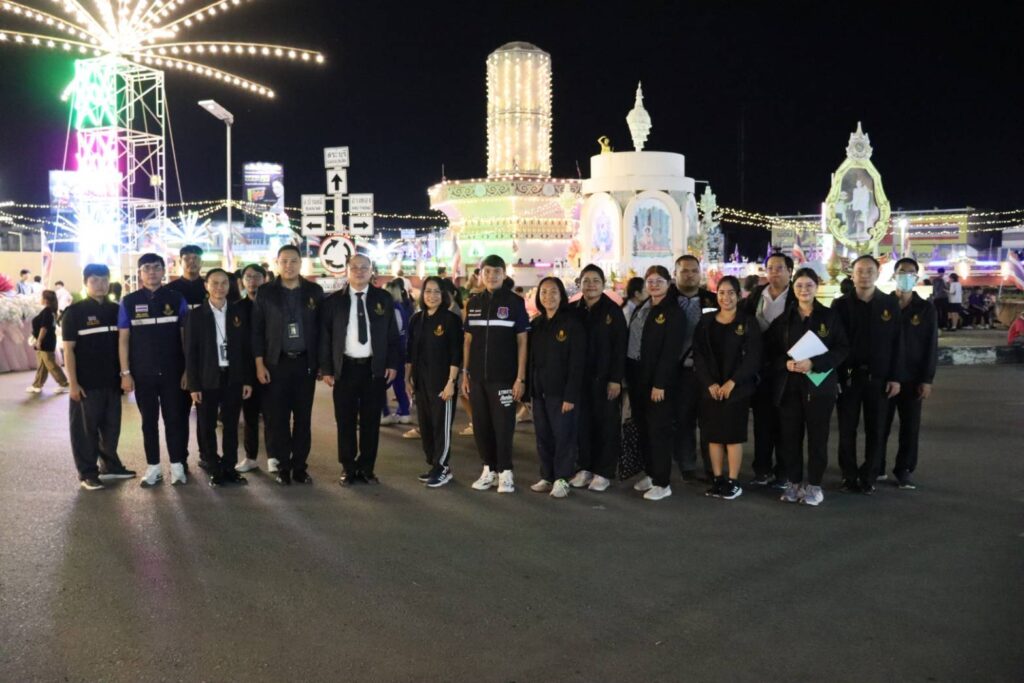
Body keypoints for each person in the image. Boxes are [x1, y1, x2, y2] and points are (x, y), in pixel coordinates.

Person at [767, 268, 849, 506]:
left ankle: (814, 485)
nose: (804, 290)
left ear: (817, 287)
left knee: (817, 438)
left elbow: (842, 348)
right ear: (793, 289)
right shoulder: (784, 320)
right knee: (790, 437)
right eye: (799, 286)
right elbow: (770, 353)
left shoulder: (829, 317)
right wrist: (785, 364)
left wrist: (814, 363)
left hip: (820, 387)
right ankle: (793, 482)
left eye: (809, 285)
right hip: (790, 387)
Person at [320, 254, 400, 485]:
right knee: (345, 421)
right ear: (347, 270)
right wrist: (326, 368)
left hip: (373, 370)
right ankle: (348, 467)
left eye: (364, 267)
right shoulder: (333, 301)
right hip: (345, 369)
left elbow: (392, 335)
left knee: (371, 421)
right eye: (354, 267)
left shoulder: (383, 298)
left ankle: (367, 467)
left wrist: (392, 363)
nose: (359, 271)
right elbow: (325, 338)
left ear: (371, 271)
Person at [831, 255, 903, 494]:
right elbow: (833, 343)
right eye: (860, 271)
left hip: (879, 378)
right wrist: (834, 377)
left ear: (878, 274)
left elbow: (897, 342)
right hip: (849, 377)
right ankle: (848, 475)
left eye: (870, 271)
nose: (864, 275)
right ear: (852, 275)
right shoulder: (840, 305)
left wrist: (895, 377)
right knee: (846, 429)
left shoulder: (889, 304)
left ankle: (870, 475)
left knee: (877, 429)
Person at [252, 245, 324, 485]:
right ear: (277, 263)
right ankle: (283, 466)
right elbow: (257, 331)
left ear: (301, 263)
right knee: (278, 418)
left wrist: (321, 364)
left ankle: (300, 467)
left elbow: (322, 330)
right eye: (284, 261)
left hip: (305, 363)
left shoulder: (314, 291)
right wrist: (259, 364)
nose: (289, 266)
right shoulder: (266, 292)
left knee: (303, 418)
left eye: (294, 261)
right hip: (276, 363)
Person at [62, 264, 136, 490]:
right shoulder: (74, 312)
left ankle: (110, 466)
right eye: (94, 280)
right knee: (86, 431)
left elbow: (125, 344)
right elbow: (68, 350)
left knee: (111, 428)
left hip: (112, 381)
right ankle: (87, 473)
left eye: (104, 280)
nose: (100, 285)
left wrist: (125, 375)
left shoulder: (117, 310)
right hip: (87, 384)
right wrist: (73, 384)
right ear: (85, 283)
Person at [118, 253, 190, 486]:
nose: (152, 272)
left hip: (174, 372)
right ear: (139, 273)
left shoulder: (176, 298)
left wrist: (188, 369)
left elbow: (185, 337)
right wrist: (126, 373)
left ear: (163, 271)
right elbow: (123, 340)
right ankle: (153, 467)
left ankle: (177, 466)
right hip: (143, 373)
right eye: (147, 268)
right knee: (148, 422)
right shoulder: (128, 301)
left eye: (156, 267)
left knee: (174, 420)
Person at [462, 254, 530, 494]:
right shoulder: (473, 303)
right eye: (487, 272)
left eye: (496, 272)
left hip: (505, 378)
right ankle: (488, 469)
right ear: (480, 275)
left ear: (504, 274)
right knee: (481, 426)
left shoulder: (515, 302)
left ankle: (506, 472)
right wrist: (465, 373)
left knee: (503, 426)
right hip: (477, 378)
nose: (491, 276)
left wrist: (520, 378)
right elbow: (468, 340)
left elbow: (522, 342)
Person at [693, 276, 762, 500]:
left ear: (739, 295)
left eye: (731, 293)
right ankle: (718, 479)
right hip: (711, 389)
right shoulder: (706, 321)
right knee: (713, 436)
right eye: (721, 292)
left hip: (737, 389)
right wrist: (709, 383)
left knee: (732, 436)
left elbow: (753, 358)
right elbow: (699, 355)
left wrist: (733, 382)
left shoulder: (748, 322)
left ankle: (733, 481)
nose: (726, 297)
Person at [185, 269, 254, 487]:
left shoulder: (238, 312)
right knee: (207, 426)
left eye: (224, 283)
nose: (220, 287)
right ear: (206, 285)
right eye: (214, 283)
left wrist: (247, 380)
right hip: (207, 378)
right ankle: (213, 467)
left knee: (231, 425)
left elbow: (246, 350)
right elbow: (190, 353)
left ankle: (230, 467)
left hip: (233, 377)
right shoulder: (196, 315)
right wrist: (194, 385)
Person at [626, 265, 685, 501]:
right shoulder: (644, 306)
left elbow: (671, 352)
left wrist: (660, 383)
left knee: (658, 431)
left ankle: (663, 482)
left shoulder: (673, 312)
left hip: (659, 381)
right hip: (637, 376)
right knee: (644, 429)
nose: (654, 285)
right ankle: (651, 474)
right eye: (650, 281)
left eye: (659, 281)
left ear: (669, 283)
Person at [880, 258, 937, 489]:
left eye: (911, 272)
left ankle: (904, 469)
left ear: (916, 277)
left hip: (913, 378)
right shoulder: (883, 305)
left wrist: (927, 379)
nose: (906, 276)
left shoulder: (925, 309)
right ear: (894, 275)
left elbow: (931, 345)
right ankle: (877, 466)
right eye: (902, 271)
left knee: (910, 427)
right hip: (885, 376)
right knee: (879, 425)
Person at [569, 264, 627, 493]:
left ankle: (603, 472)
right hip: (580, 379)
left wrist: (616, 379)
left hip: (605, 380)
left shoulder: (613, 311)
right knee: (582, 426)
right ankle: (585, 467)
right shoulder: (573, 310)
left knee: (606, 426)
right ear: (579, 284)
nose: (591, 285)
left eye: (595, 280)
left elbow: (620, 348)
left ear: (603, 284)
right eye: (586, 281)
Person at [741, 253, 796, 489]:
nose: (774, 272)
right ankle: (761, 469)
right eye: (770, 268)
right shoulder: (756, 295)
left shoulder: (796, 296)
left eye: (780, 268)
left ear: (790, 271)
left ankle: (783, 471)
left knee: (785, 423)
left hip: (787, 369)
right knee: (762, 423)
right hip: (760, 369)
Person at [527, 277, 586, 498]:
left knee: (564, 437)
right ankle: (547, 476)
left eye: (553, 292)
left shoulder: (572, 324)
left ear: (561, 295)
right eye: (543, 292)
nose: (548, 297)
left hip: (562, 394)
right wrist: (529, 391)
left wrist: (570, 395)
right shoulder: (537, 324)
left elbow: (577, 363)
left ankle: (562, 478)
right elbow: (531, 360)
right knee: (543, 436)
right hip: (539, 391)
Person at [406, 276, 463, 487]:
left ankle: (442, 467)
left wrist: (451, 382)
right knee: (426, 426)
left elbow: (456, 353)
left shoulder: (450, 319)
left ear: (444, 295)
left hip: (442, 384)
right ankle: (433, 464)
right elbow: (410, 352)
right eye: (428, 291)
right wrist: (407, 378)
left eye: (437, 291)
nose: (432, 296)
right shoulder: (416, 319)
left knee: (441, 427)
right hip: (421, 382)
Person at [673, 254, 718, 482]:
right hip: (679, 373)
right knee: (683, 421)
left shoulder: (713, 300)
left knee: (710, 421)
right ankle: (687, 465)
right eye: (684, 271)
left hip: (708, 373)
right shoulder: (666, 300)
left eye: (694, 271)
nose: (690, 275)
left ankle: (712, 466)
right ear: (675, 274)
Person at [164, 244, 208, 470]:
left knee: (206, 413)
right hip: (177, 359)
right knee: (178, 413)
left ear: (201, 261)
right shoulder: (170, 291)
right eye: (187, 258)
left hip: (207, 359)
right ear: (179, 262)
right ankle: (180, 458)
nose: (192, 262)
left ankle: (207, 455)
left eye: (196, 258)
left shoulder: (210, 286)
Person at [235, 264, 267, 473]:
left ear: (265, 279)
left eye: (257, 277)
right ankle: (250, 457)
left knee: (274, 416)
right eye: (248, 277)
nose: (252, 281)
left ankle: (275, 456)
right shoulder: (237, 308)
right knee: (250, 416)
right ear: (242, 281)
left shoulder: (274, 304)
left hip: (272, 367)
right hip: (247, 370)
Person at [380, 278, 413, 426]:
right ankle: (404, 412)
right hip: (401, 351)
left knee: (381, 383)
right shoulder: (401, 308)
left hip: (390, 352)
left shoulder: (389, 310)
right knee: (399, 383)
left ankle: (384, 413)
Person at [27, 290, 70, 394]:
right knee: (42, 365)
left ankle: (64, 383)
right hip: (47, 341)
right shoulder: (51, 311)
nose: (40, 299)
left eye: (41, 297)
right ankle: (37, 385)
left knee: (50, 364)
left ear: (46, 300)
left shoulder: (47, 311)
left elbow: (44, 328)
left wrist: (39, 341)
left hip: (45, 342)